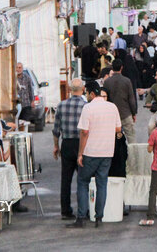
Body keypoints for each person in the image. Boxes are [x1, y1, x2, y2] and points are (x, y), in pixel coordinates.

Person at [67, 82, 122, 228]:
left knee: (83, 182)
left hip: (91, 152)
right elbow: (118, 128)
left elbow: (84, 132)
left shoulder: (88, 108)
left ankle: (81, 217)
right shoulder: (112, 107)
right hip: (107, 152)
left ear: (91, 94)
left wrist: (80, 153)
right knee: (101, 183)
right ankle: (99, 217)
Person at [53, 79, 87, 220]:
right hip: (81, 144)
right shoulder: (86, 106)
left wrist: (56, 146)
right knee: (83, 179)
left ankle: (65, 210)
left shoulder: (61, 106)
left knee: (66, 179)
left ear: (69, 89)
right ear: (83, 89)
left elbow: (56, 130)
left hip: (66, 143)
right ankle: (83, 209)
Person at [103, 59, 138, 144]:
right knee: (131, 137)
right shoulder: (127, 81)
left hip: (112, 115)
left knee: (113, 138)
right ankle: (132, 156)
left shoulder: (107, 82)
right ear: (121, 68)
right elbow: (131, 99)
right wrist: (134, 113)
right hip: (125, 113)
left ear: (112, 67)